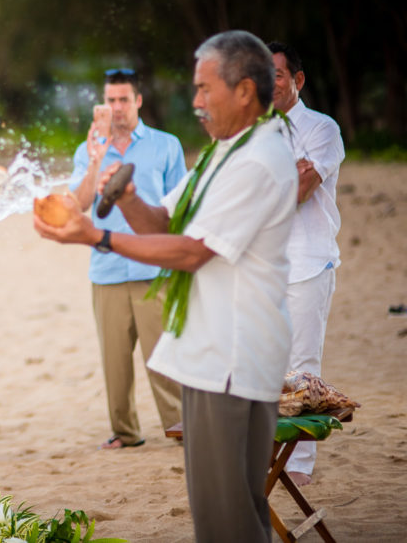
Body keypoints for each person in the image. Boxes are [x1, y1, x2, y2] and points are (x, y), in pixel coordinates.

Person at [35, 30, 296, 542]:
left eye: (204, 88)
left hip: (234, 361)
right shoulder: (222, 154)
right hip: (208, 356)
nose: (195, 100)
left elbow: (192, 251)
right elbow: (162, 222)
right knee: (214, 514)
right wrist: (127, 197)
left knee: (230, 521)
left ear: (245, 91)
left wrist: (96, 235)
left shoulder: (259, 159)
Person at [69, 69, 185, 450]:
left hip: (156, 268)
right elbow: (80, 204)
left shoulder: (166, 146)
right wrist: (95, 159)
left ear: (138, 100)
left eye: (123, 99)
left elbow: (181, 208)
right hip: (107, 270)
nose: (115, 108)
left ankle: (183, 427)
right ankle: (124, 432)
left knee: (164, 357)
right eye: (109, 100)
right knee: (115, 361)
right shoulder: (89, 150)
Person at [269, 41, 345, 486]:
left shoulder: (322, 129)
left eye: (276, 74)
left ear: (297, 81)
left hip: (309, 263)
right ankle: (269, 455)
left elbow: (300, 190)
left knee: (302, 367)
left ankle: (297, 468)